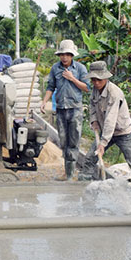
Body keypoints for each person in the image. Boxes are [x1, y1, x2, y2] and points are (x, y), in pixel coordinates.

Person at [78, 61, 131, 200]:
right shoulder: (95, 90)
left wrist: (103, 143)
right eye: (93, 80)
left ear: (106, 78)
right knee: (89, 159)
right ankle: (82, 191)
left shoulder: (114, 93)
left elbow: (110, 119)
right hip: (105, 132)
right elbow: (92, 106)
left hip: (122, 132)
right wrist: (93, 120)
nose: (96, 83)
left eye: (98, 80)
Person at [40, 39, 90, 180]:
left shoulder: (80, 69)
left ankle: (69, 174)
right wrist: (44, 102)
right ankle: (67, 170)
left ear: (72, 55)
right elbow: (51, 87)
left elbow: (86, 88)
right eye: (62, 54)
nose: (64, 57)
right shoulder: (55, 68)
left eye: (67, 54)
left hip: (75, 110)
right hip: (61, 110)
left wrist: (72, 78)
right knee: (63, 142)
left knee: (73, 142)